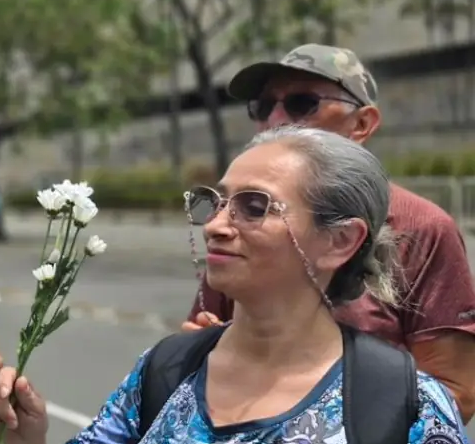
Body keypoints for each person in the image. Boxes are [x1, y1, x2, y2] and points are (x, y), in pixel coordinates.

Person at [0, 125, 475, 444]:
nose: (216, 224)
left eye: (254, 207)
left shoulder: (406, 407)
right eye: (215, 202)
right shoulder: (167, 370)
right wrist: (26, 442)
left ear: (340, 241)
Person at [183, 44, 475, 423]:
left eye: (302, 103)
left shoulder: (421, 228)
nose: (276, 119)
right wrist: (203, 354)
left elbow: (455, 391)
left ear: (362, 124)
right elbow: (202, 336)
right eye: (263, 105)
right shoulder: (235, 223)